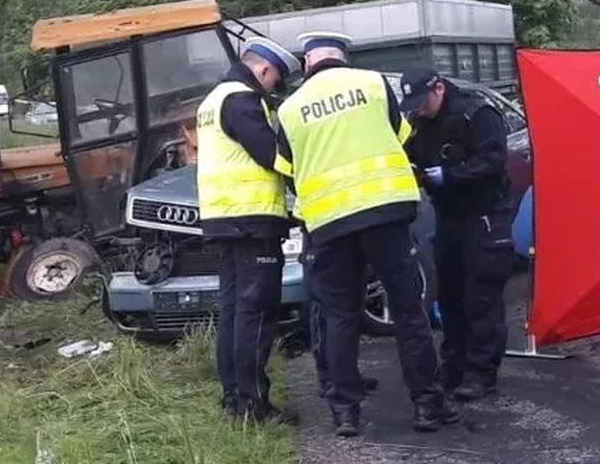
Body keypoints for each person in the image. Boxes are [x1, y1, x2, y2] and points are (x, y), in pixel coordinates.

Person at [274, 32, 457, 437]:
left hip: (329, 224)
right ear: (342, 57)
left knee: (340, 317)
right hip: (385, 214)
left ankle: (345, 412)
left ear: (308, 62)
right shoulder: (374, 84)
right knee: (409, 311)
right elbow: (402, 138)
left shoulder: (289, 109)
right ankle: (427, 405)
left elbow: (287, 171)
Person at [195, 36, 301, 424]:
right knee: (256, 312)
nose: (274, 89)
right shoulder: (241, 99)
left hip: (222, 219)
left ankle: (234, 399)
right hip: (252, 221)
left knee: (234, 312)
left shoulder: (211, 101)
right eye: (275, 81)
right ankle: (254, 405)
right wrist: (310, 174)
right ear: (264, 70)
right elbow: (272, 156)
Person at [398, 65, 514, 403]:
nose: (418, 111)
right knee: (449, 297)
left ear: (438, 89)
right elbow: (413, 152)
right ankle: (454, 367)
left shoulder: (476, 112)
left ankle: (481, 374)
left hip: (484, 215)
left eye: (422, 103)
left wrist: (453, 175)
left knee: (481, 298)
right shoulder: (421, 122)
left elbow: (493, 160)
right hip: (449, 218)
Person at [299, 230, 379, 399]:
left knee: (349, 304)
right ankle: (328, 377)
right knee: (325, 308)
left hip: (344, 223)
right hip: (320, 228)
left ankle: (346, 375)